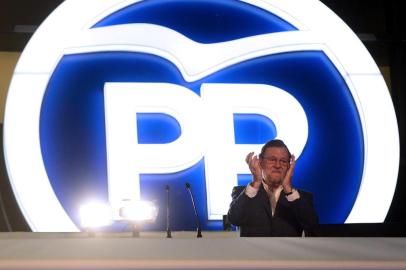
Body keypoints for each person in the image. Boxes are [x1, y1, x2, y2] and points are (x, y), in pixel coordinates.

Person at [227, 139, 318, 237]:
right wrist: (256, 182)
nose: (278, 165)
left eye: (283, 161)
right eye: (272, 159)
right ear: (260, 162)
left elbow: (313, 227)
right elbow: (234, 219)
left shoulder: (301, 198)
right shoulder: (243, 192)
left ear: (289, 166)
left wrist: (288, 189)